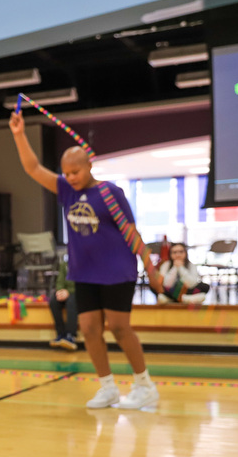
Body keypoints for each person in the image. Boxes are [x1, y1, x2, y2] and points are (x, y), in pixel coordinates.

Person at [9, 111, 163, 410]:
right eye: (66, 173)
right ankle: (107, 387)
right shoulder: (66, 191)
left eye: (75, 172)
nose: (70, 178)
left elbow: (130, 232)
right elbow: (32, 168)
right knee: (90, 329)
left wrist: (150, 265)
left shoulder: (109, 192)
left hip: (117, 271)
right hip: (85, 272)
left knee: (119, 328)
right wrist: (18, 134)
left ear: (89, 166)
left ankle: (145, 385)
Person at [48, 252, 78, 351]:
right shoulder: (65, 264)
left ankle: (71, 336)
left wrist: (68, 292)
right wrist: (60, 291)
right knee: (53, 301)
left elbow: (83, 284)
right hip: (66, 293)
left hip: (79, 293)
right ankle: (60, 334)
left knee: (71, 302)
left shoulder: (87, 263)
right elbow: (59, 281)